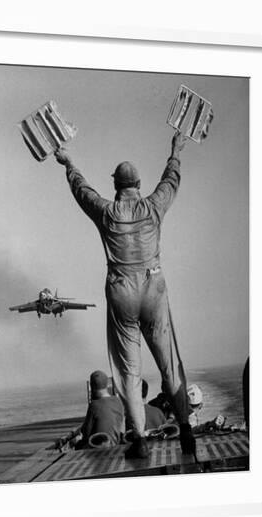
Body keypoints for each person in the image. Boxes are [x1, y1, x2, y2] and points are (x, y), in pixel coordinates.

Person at [55, 131, 196, 459]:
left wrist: (68, 163)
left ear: (116, 185)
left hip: (121, 292)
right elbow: (171, 180)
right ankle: (186, 428)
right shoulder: (153, 207)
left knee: (129, 371)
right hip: (153, 287)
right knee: (169, 364)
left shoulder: (106, 212)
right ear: (138, 184)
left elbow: (82, 190)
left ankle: (141, 439)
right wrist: (175, 149)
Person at [76, 370, 124, 449]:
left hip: (98, 447)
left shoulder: (94, 405)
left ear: (92, 387)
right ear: (106, 384)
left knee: (78, 445)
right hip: (116, 444)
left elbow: (86, 433)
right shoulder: (118, 401)